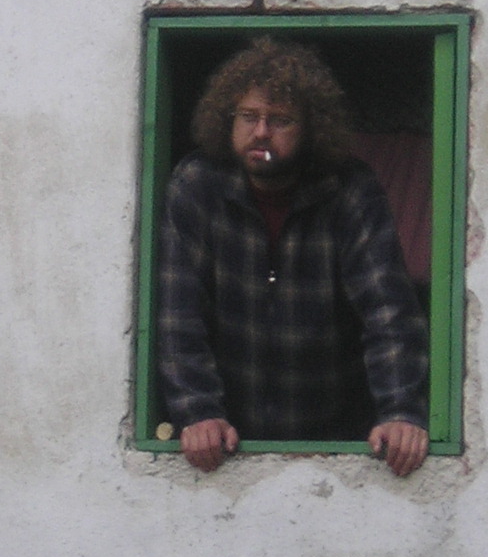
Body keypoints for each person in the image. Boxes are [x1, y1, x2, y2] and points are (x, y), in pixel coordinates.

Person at [157, 37, 431, 475]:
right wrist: (198, 410)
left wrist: (400, 412)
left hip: (337, 435)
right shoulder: (198, 185)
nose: (261, 132)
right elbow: (179, 314)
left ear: (312, 129)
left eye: (280, 120)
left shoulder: (350, 190)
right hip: (228, 438)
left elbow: (389, 312)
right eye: (248, 116)